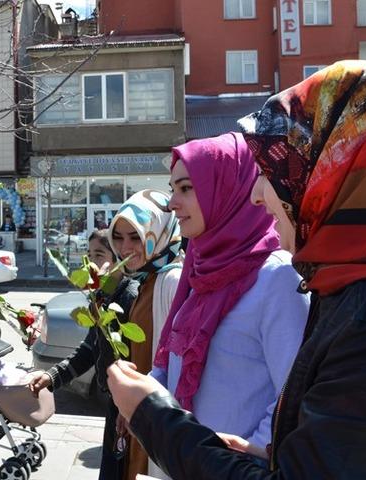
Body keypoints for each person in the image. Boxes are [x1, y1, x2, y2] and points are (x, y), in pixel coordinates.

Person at [107, 60, 366, 479]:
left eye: (275, 173)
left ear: (333, 172)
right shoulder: (352, 292)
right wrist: (270, 453)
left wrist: (156, 418)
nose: (259, 195)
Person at [152, 131, 308, 464]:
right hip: (194, 465)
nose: (172, 203)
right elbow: (174, 363)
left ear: (226, 190)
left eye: (186, 189)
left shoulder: (276, 277)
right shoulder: (202, 271)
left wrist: (246, 456)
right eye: (172, 190)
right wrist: (144, 397)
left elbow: (294, 395)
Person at [27, 229, 138, 480]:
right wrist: (52, 377)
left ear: (119, 256)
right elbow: (89, 349)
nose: (90, 263)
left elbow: (138, 359)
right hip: (116, 405)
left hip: (130, 409)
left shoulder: (130, 296)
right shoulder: (102, 296)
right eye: (88, 255)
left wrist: (129, 404)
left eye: (99, 254)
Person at [107, 189, 183, 480]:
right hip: (142, 415)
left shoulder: (171, 280)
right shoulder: (148, 279)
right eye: (119, 237)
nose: (125, 248)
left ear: (159, 232)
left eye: (135, 237)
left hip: (156, 419)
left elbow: (172, 366)